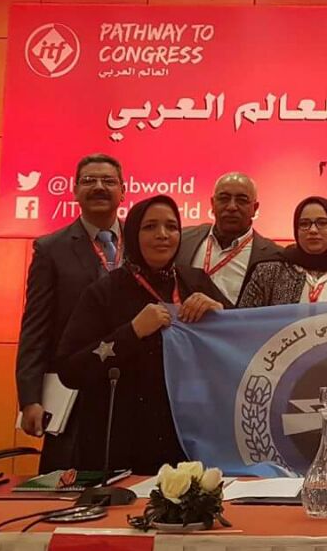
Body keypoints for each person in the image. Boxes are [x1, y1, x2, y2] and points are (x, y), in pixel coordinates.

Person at [56, 195, 224, 475]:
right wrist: (132, 333)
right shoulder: (105, 292)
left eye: (171, 227)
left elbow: (236, 351)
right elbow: (70, 369)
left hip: (188, 438)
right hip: (123, 443)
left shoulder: (196, 282)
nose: (163, 235)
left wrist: (221, 316)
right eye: (150, 227)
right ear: (133, 233)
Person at [16, 153, 125, 471]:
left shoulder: (142, 242)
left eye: (108, 181)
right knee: (64, 484)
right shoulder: (51, 249)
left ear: (123, 191)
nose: (99, 187)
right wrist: (30, 398)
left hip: (131, 389)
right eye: (89, 180)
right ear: (75, 191)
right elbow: (35, 327)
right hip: (73, 389)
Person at [239, 196, 327, 306]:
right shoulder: (268, 273)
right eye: (304, 224)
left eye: (322, 223)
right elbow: (245, 323)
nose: (313, 230)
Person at [177, 171, 282, 308]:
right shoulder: (182, 240)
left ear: (255, 208)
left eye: (241, 200)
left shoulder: (273, 257)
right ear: (212, 203)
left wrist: (221, 311)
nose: (232, 206)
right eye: (224, 198)